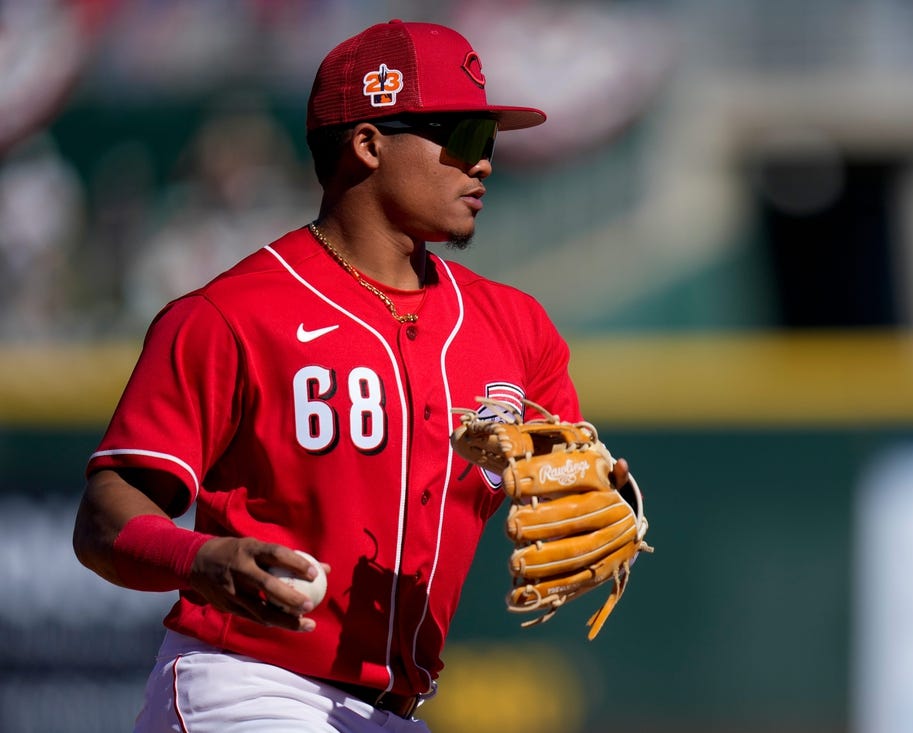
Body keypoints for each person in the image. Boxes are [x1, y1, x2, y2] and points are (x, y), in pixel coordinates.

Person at [72, 18, 634, 733]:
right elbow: (101, 516)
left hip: (394, 711)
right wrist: (203, 557)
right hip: (248, 687)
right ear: (368, 143)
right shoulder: (231, 315)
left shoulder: (517, 329)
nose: (483, 164)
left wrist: (601, 490)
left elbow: (575, 478)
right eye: (460, 139)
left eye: (487, 143)